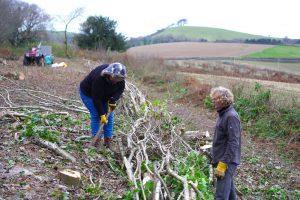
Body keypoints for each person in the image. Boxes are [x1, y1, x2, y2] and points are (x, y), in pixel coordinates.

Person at [79, 62, 126, 149]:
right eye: (115, 77)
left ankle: (108, 140)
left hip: (105, 96)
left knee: (110, 116)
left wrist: (113, 99)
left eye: (119, 79)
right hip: (89, 94)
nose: (117, 80)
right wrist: (101, 114)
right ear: (109, 74)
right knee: (97, 115)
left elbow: (120, 90)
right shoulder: (99, 78)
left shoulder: (120, 79)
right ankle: (97, 141)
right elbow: (97, 99)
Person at [210, 86, 241, 200]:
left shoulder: (231, 116)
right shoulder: (223, 114)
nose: (213, 101)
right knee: (230, 194)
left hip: (227, 162)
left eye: (215, 99)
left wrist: (223, 163)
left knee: (221, 196)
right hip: (223, 160)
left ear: (223, 100)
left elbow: (233, 143)